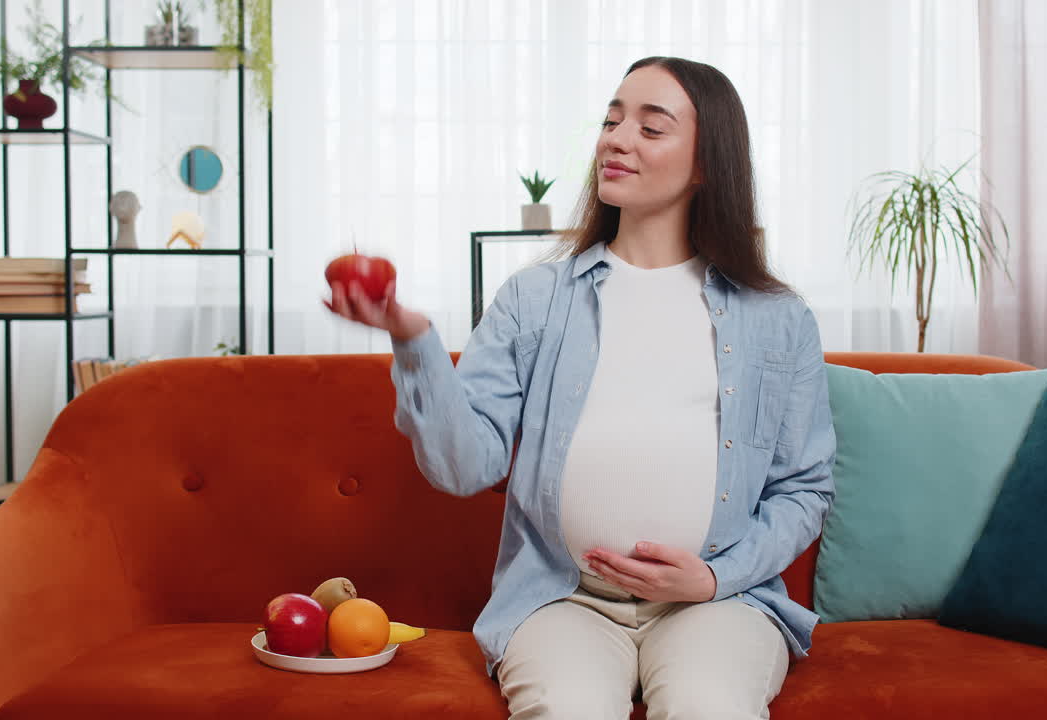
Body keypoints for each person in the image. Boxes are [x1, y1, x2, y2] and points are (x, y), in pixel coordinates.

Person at [326, 56, 836, 720]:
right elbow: (462, 467)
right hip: (562, 599)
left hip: (720, 602)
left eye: (651, 128)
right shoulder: (533, 300)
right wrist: (412, 337)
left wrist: (714, 576)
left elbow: (803, 487)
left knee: (710, 706)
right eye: (611, 119)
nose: (616, 139)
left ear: (708, 162)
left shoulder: (778, 318)